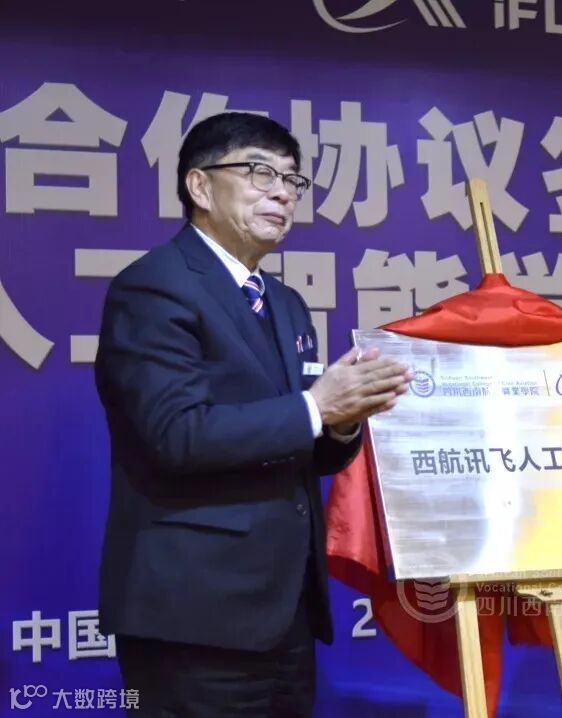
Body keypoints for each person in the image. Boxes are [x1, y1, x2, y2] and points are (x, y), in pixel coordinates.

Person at [94, 112, 412, 716]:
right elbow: (176, 435)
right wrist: (316, 406)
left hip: (285, 609)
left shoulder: (285, 303)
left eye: (292, 180)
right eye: (259, 172)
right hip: (195, 613)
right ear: (199, 185)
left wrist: (343, 419)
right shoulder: (155, 287)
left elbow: (305, 442)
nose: (281, 193)